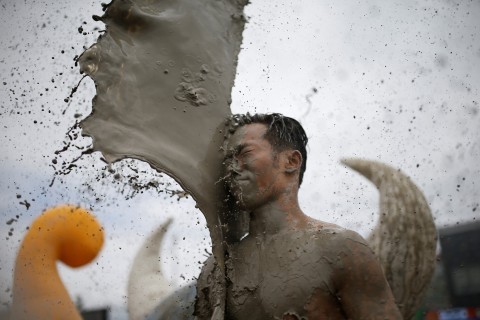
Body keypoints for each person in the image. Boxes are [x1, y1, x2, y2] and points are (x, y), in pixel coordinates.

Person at [194, 113, 402, 319]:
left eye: (245, 153)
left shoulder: (341, 249)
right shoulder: (218, 267)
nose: (231, 168)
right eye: (228, 159)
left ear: (291, 161)